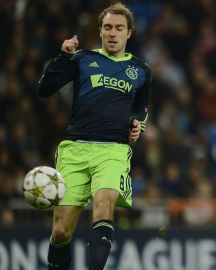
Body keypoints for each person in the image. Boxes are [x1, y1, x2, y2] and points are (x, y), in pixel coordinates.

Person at [37, 3, 150, 270]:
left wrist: (138, 123)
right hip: (75, 150)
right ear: (100, 31)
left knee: (103, 207)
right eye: (108, 27)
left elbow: (141, 107)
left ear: (129, 33)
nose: (113, 33)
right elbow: (45, 89)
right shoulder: (82, 59)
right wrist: (64, 57)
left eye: (119, 28)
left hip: (113, 150)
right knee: (62, 232)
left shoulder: (141, 70)